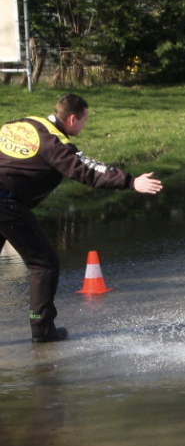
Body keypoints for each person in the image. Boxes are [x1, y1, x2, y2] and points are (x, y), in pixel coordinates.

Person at [0, 93, 163, 343]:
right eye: (84, 120)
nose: (85, 126)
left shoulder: (23, 123)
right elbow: (88, 171)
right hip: (6, 203)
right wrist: (131, 181)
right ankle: (42, 329)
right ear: (73, 118)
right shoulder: (55, 144)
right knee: (43, 264)